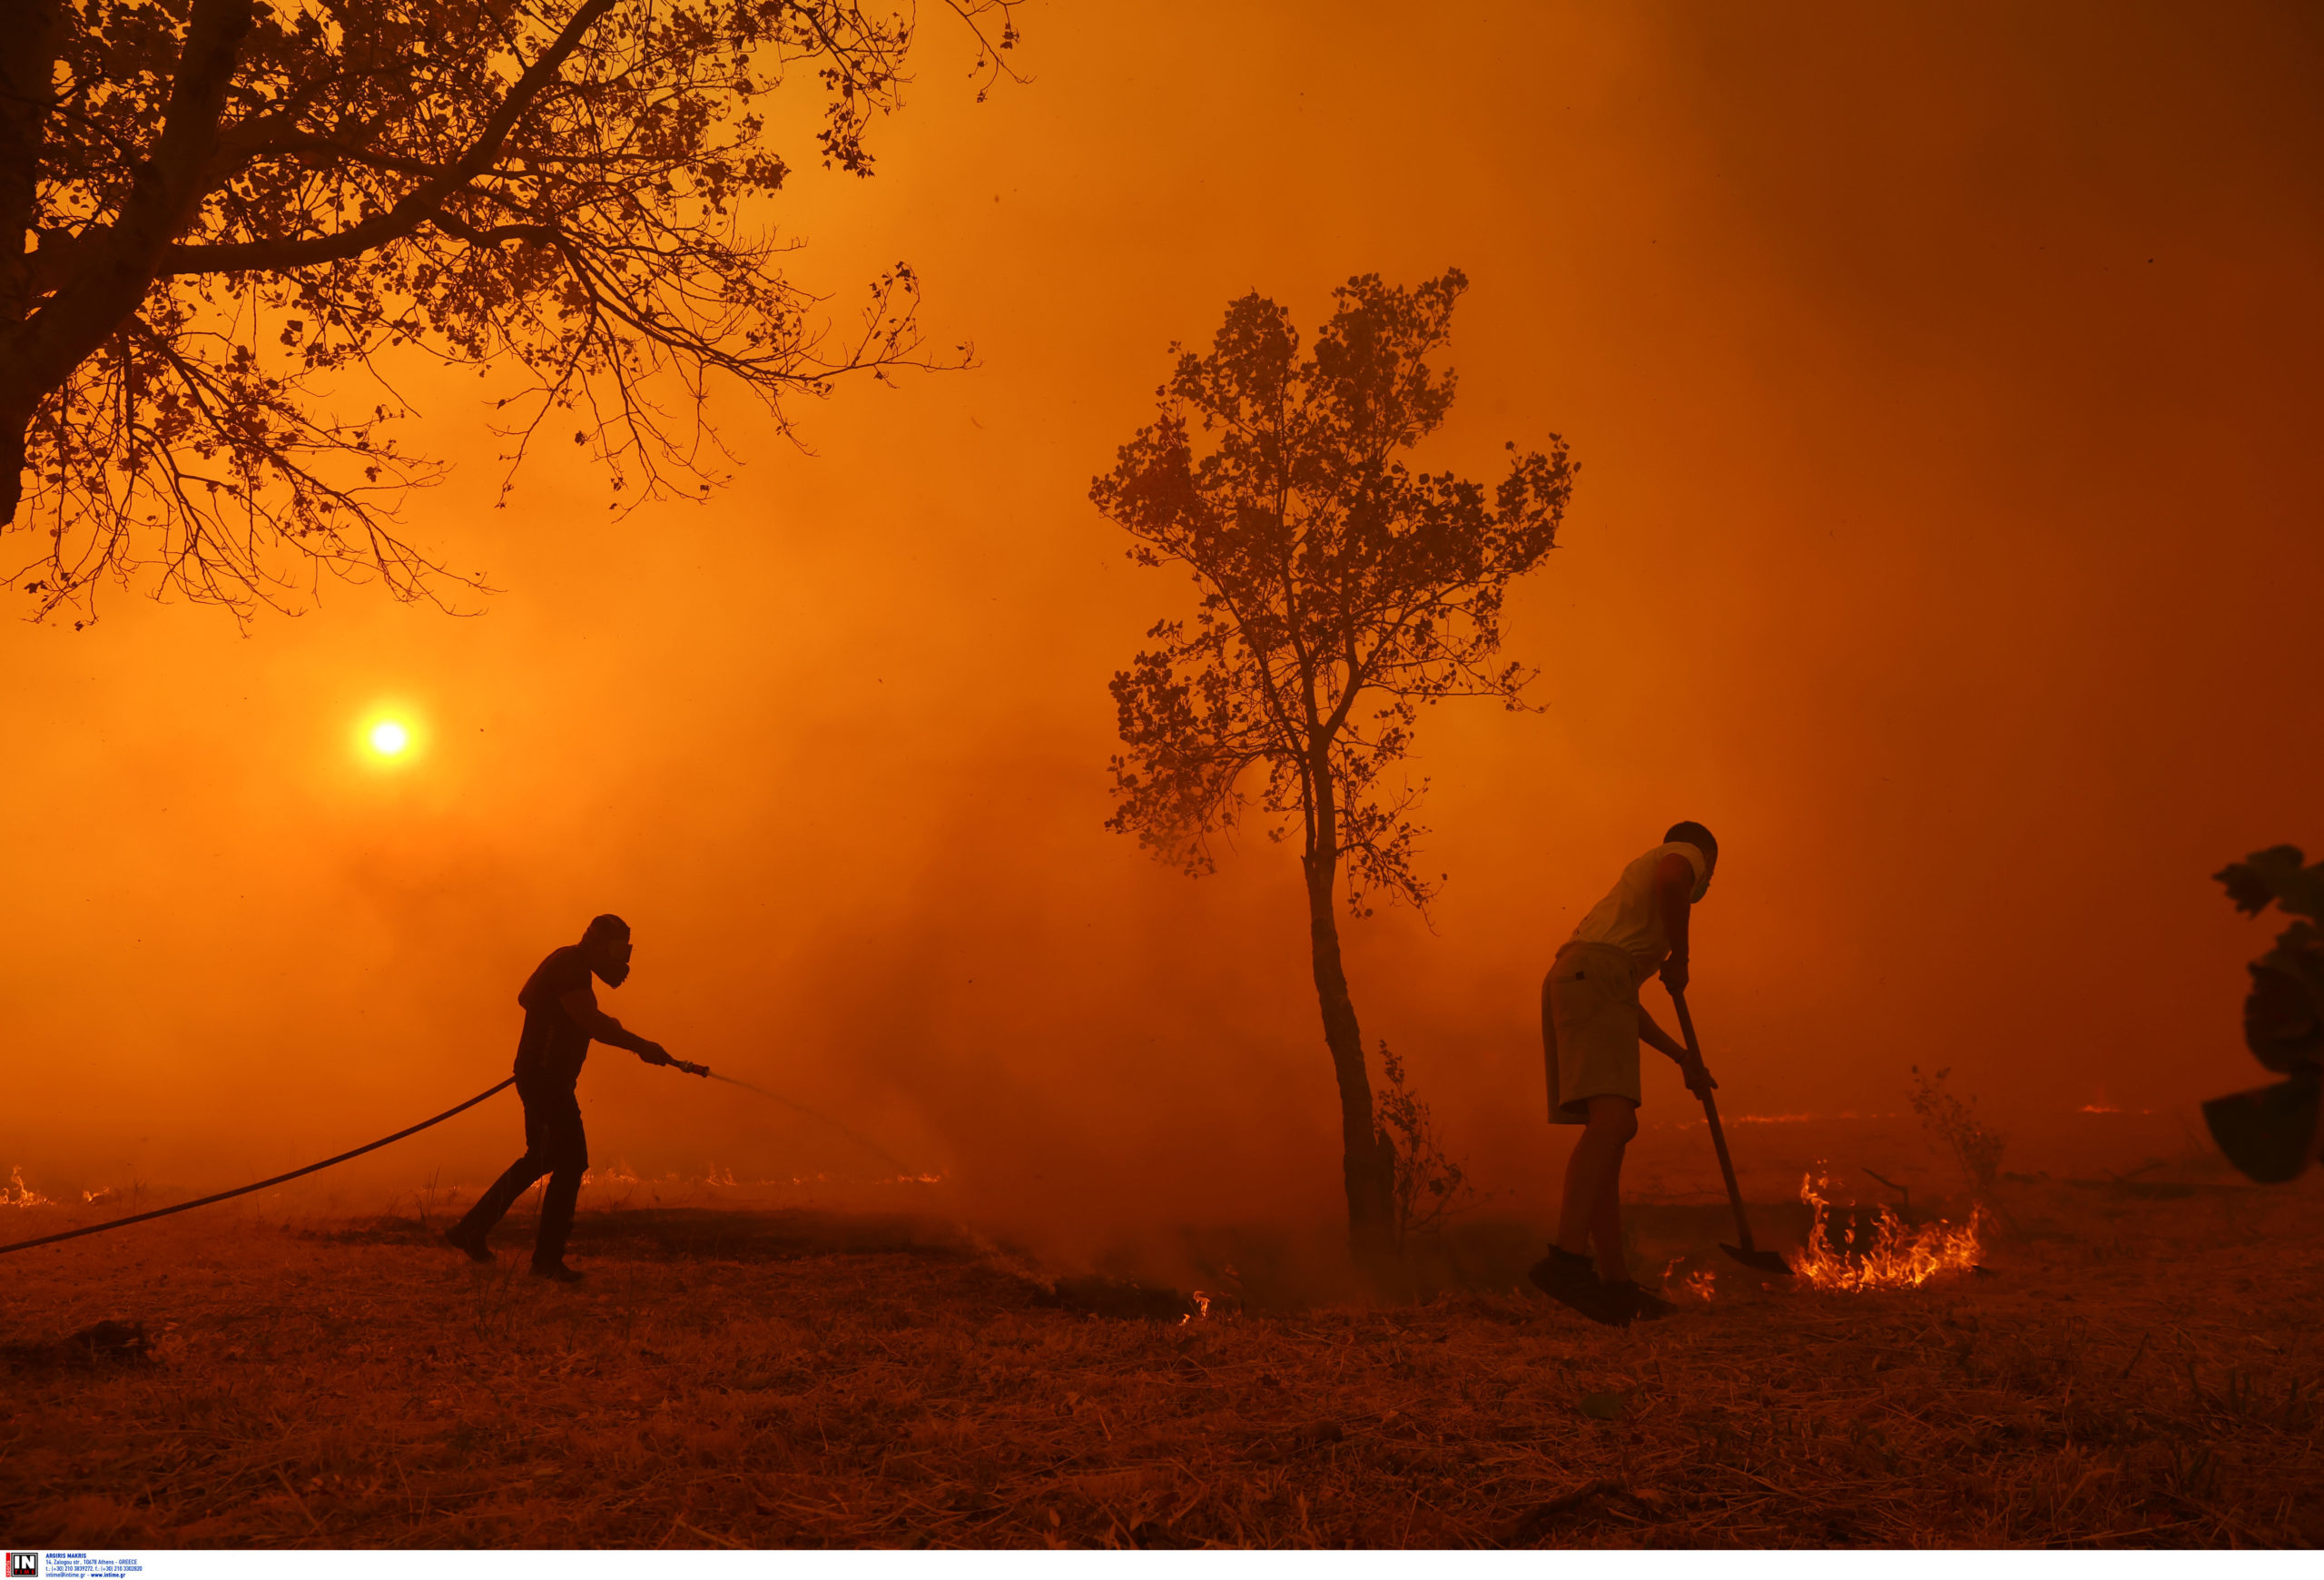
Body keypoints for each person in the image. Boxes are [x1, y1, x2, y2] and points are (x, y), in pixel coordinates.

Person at [1531, 823, 1720, 1326]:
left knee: (1610, 1134)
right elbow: (1675, 881)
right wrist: (1679, 958)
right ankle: (1566, 1261)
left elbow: (1622, 1005)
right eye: (1711, 875)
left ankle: (1614, 1284)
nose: (1707, 885)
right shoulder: (1684, 853)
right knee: (1614, 1124)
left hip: (1579, 981)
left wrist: (1682, 1057)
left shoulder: (1620, 932)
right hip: (1593, 977)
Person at [445, 913, 677, 1281]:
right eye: (617, 950)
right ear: (594, 941)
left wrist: (552, 1022)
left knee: (540, 1158)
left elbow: (527, 997)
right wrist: (640, 1045)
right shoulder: (571, 967)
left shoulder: (565, 962)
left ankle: (470, 1230)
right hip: (546, 1080)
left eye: (626, 951)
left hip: (542, 1076)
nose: (623, 961)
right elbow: (593, 1022)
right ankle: (546, 1261)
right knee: (570, 1163)